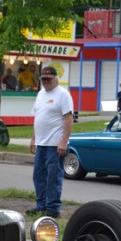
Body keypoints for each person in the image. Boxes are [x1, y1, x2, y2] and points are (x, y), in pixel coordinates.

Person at [27, 66, 74, 219]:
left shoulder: (63, 95)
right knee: (38, 176)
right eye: (43, 79)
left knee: (53, 176)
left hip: (55, 144)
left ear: (56, 78)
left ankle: (53, 208)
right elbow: (38, 117)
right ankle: (41, 206)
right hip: (41, 143)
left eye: (49, 79)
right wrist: (34, 138)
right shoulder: (41, 94)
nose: (46, 82)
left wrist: (63, 141)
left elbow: (68, 119)